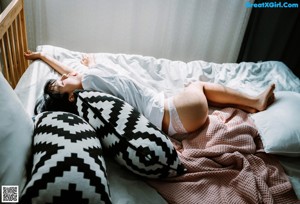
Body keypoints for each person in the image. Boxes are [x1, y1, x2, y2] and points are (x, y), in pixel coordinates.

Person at [24, 50, 275, 136]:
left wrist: (44, 56)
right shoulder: (89, 82)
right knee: (198, 85)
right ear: (69, 96)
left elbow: (72, 74)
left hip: (176, 117)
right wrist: (90, 68)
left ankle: (251, 105)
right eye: (61, 83)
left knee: (197, 89)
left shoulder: (88, 93)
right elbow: (76, 73)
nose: (65, 76)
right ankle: (255, 101)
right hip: (176, 114)